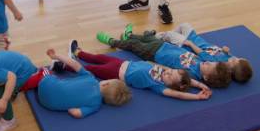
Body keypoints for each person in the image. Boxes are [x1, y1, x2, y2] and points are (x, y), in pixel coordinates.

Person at [68, 40, 211, 101]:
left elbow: (179, 95)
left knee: (91, 69)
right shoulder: (167, 71)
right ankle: (78, 53)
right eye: (171, 71)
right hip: (122, 62)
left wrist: (197, 96)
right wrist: (200, 85)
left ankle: (66, 65)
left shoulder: (159, 86)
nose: (167, 72)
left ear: (172, 85)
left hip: (116, 73)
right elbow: (186, 80)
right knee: (98, 57)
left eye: (170, 76)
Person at [97, 28, 232, 88]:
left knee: (134, 45)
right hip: (163, 45)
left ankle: (112, 42)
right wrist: (227, 54)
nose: (208, 62)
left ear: (206, 77)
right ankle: (130, 35)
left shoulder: (192, 75)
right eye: (210, 63)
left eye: (209, 66)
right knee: (147, 38)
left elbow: (188, 81)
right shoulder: (203, 61)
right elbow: (219, 60)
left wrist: (202, 86)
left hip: (155, 55)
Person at [34, 48, 132, 118]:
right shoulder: (96, 105)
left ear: (105, 83)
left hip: (45, 85)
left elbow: (74, 64)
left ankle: (42, 73)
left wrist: (56, 56)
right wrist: (70, 105)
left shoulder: (90, 78)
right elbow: (76, 113)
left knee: (47, 73)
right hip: (48, 104)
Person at [157, 23, 253, 83]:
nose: (234, 57)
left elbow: (200, 53)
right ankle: (168, 38)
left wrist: (190, 44)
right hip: (195, 38)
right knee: (184, 25)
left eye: (234, 61)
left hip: (189, 43)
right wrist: (225, 51)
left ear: (230, 70)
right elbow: (229, 57)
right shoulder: (230, 59)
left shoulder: (216, 63)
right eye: (238, 58)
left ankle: (161, 37)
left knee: (170, 34)